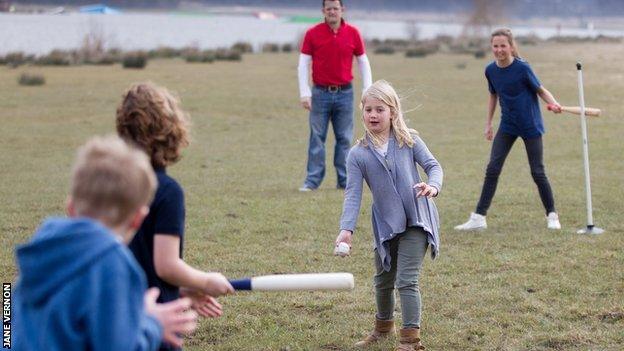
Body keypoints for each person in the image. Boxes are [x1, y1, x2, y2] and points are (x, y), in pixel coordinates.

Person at [13, 135, 199, 350]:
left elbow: (14, 322)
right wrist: (152, 325)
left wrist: (135, 314)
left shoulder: (44, 243)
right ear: (138, 218)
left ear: (70, 206)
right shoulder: (112, 262)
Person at [116, 82, 234, 351]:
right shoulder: (167, 192)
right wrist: (206, 280)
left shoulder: (113, 182)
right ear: (171, 130)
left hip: (117, 317)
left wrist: (181, 291)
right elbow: (165, 265)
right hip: (157, 323)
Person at [335, 80, 443, 350]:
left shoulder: (409, 140)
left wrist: (433, 186)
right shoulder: (358, 154)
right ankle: (383, 329)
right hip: (385, 224)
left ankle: (410, 341)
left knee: (406, 280)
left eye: (379, 109)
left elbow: (433, 166)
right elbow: (353, 194)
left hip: (417, 219)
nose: (373, 114)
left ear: (392, 112)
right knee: (383, 280)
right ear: (362, 112)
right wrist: (346, 229)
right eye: (368, 109)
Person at [455, 28, 563, 231]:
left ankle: (552, 215)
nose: (499, 50)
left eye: (503, 45)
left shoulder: (523, 68)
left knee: (537, 172)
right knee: (492, 169)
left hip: (530, 125)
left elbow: (540, 90)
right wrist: (488, 123)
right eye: (495, 46)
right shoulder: (490, 70)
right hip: (508, 125)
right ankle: (479, 217)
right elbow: (493, 95)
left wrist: (554, 103)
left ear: (511, 47)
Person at [297, 0, 373, 191]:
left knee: (345, 139)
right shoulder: (312, 33)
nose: (332, 11)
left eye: (335, 8)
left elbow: (363, 62)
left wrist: (367, 90)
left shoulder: (353, 33)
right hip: (320, 93)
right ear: (323, 11)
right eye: (328, 8)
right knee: (316, 138)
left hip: (345, 94)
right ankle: (312, 181)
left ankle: (345, 181)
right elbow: (303, 64)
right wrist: (305, 93)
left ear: (342, 10)